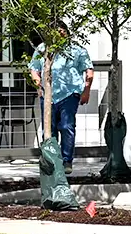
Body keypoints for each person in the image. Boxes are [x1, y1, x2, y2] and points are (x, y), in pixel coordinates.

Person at [28, 22, 94, 169]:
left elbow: (89, 70)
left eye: (62, 31)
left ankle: (66, 160)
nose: (59, 34)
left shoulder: (76, 49)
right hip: (47, 95)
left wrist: (86, 90)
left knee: (66, 126)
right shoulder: (43, 49)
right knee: (48, 128)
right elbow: (33, 68)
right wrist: (37, 83)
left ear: (67, 32)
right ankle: (52, 160)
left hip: (69, 94)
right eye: (55, 32)